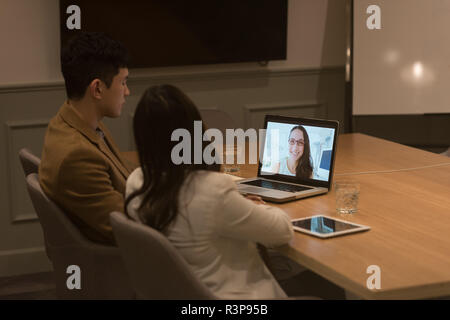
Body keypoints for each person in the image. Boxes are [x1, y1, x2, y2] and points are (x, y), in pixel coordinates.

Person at [125, 84, 297, 299]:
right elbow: (282, 231)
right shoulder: (213, 190)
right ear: (194, 131)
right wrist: (259, 206)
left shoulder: (136, 182)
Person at [39, 32, 137, 245]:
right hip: (124, 261)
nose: (127, 92)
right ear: (98, 89)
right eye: (123, 83)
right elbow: (130, 228)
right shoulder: (77, 156)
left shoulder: (72, 120)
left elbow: (123, 170)